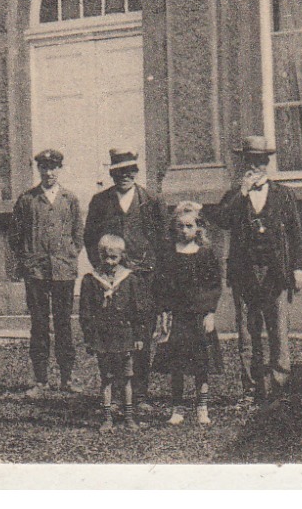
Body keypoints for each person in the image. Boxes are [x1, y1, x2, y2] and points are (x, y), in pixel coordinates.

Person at [211, 136, 302, 405]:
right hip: (244, 274)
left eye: (261, 160)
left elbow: (297, 235)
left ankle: (279, 385)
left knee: (278, 330)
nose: (257, 166)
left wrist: (299, 269)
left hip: (275, 273)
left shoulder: (284, 195)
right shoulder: (234, 195)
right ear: (244, 163)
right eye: (251, 160)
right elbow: (221, 221)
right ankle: (252, 388)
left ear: (268, 162)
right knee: (247, 332)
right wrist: (241, 193)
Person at [83, 148, 165, 404]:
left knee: (142, 334)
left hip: (143, 279)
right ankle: (116, 393)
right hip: (113, 282)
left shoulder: (151, 200)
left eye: (130, 171)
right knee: (112, 334)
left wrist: (156, 273)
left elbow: (162, 241)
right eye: (119, 171)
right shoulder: (100, 201)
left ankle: (139, 394)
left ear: (136, 172)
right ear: (112, 173)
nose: (125, 176)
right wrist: (104, 272)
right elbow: (89, 239)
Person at [9, 148, 86, 396]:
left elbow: (78, 234)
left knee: (63, 324)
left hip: (63, 270)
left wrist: (70, 254)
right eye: (44, 167)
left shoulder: (69, 199)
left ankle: (67, 378)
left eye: (54, 168)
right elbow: (15, 236)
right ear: (38, 169)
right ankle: (40, 380)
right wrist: (28, 260)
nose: (49, 172)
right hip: (36, 272)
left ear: (60, 169)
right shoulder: (27, 200)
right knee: (39, 324)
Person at [153, 201, 223, 425]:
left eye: (189, 226)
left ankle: (202, 406)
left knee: (201, 362)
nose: (184, 231)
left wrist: (210, 312)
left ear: (198, 228)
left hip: (199, 315)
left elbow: (214, 284)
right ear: (174, 228)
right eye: (180, 226)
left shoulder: (205, 253)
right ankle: (178, 407)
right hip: (177, 316)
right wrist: (164, 312)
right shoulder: (168, 253)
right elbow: (160, 284)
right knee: (178, 364)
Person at [78, 233, 155, 431]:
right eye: (105, 257)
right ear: (99, 256)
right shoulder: (91, 280)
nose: (110, 262)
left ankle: (129, 417)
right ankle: (107, 418)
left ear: (122, 256)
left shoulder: (130, 279)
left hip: (125, 336)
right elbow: (85, 313)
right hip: (103, 338)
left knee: (128, 377)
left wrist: (138, 336)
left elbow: (139, 310)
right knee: (107, 378)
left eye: (114, 257)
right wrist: (89, 339)